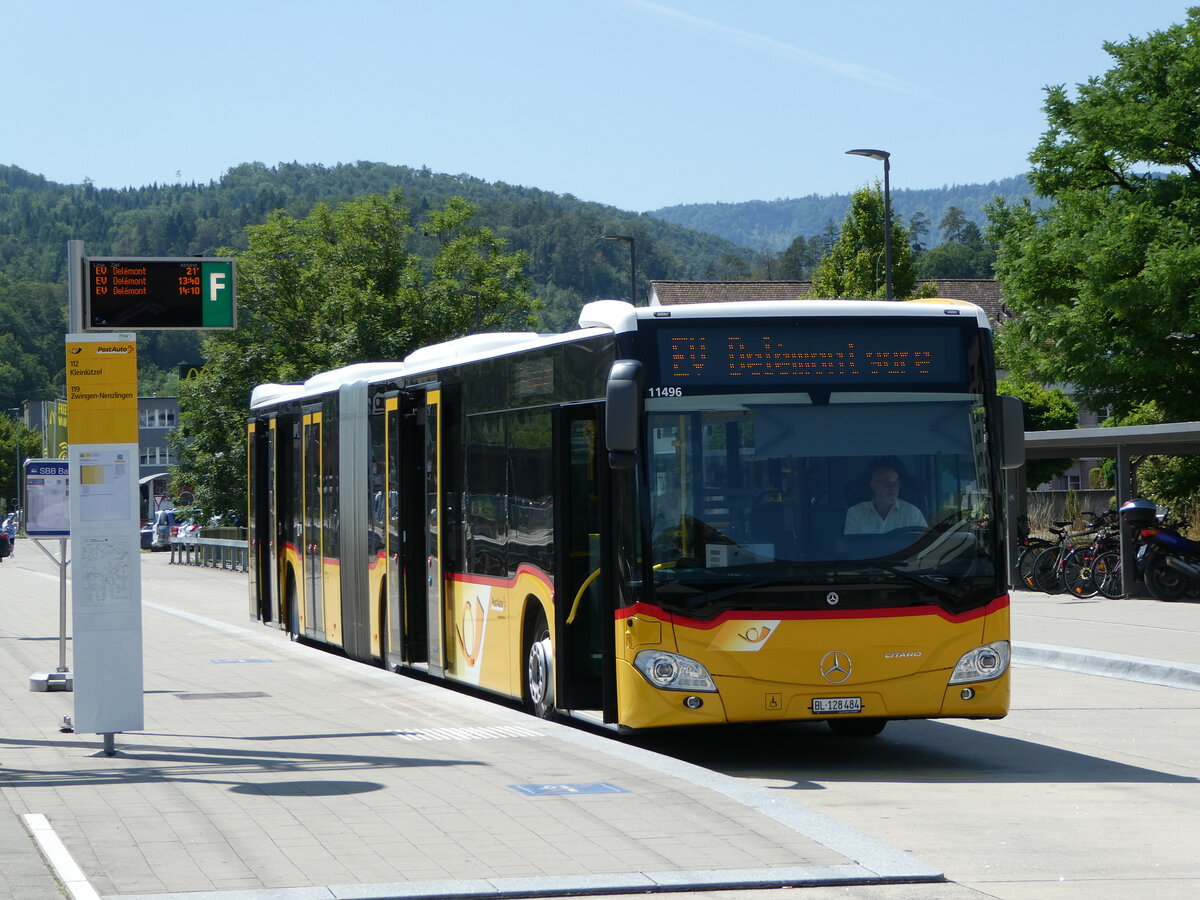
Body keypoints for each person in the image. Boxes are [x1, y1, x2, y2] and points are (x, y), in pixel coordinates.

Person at [844, 463, 926, 534]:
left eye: (896, 483)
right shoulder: (855, 513)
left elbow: (924, 546)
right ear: (873, 485)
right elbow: (851, 548)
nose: (893, 487)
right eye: (887, 482)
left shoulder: (912, 513)